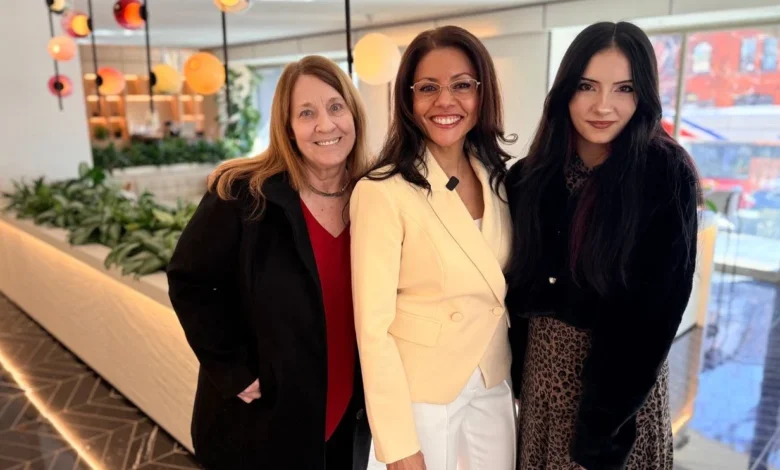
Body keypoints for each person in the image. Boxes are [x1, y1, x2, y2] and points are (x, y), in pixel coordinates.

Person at [504, 21, 701, 470]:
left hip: (615, 405)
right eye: (587, 86)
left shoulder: (663, 176)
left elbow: (654, 316)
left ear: (643, 95)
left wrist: (602, 426)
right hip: (540, 380)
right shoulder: (530, 178)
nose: (603, 106)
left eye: (624, 88)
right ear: (565, 91)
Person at [166, 55, 372, 470]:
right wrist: (233, 367)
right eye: (306, 113)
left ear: (354, 114)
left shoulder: (375, 196)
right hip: (264, 416)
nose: (326, 125)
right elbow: (190, 281)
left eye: (336, 107)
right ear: (287, 127)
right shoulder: (243, 193)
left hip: (349, 410)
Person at [350, 25, 518, 470]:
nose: (446, 101)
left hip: (492, 378)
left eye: (462, 85)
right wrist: (397, 442)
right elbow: (373, 329)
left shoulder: (498, 180)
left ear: (482, 94)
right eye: (428, 88)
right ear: (408, 100)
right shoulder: (381, 191)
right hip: (421, 395)